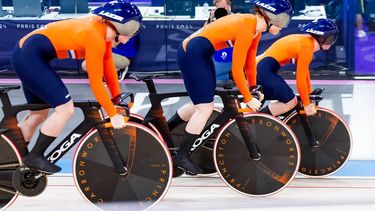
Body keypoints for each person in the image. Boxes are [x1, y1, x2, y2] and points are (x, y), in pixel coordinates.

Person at [11, 0, 142, 174]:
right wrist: (112, 113)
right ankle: (34, 156)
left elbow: (108, 68)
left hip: (26, 53)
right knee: (65, 110)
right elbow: (96, 83)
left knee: (37, 116)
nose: (129, 38)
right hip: (29, 55)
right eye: (132, 31)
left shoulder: (102, 31)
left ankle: (11, 158)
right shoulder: (95, 35)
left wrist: (116, 98)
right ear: (120, 25)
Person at [168, 0, 293, 174]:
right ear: (271, 16)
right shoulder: (248, 24)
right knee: (204, 109)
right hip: (193, 53)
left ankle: (165, 130)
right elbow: (236, 68)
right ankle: (181, 156)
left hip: (199, 53)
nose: (284, 24)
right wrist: (248, 98)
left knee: (202, 102)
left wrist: (254, 87)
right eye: (283, 18)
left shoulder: (255, 30)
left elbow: (249, 63)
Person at [257, 19, 339, 117]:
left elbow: (305, 73)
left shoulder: (307, 42)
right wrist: (307, 104)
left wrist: (309, 93)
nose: (331, 41)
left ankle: (257, 119)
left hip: (263, 68)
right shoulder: (307, 46)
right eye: (330, 38)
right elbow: (300, 80)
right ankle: (256, 121)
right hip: (263, 70)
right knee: (291, 102)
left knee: (286, 99)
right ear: (321, 38)